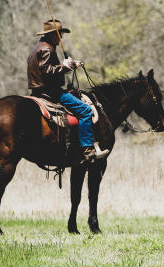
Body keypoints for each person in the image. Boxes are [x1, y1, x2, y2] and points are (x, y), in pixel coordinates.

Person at [27, 19, 108, 163]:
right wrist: (65, 67)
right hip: (51, 92)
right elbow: (47, 71)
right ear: (52, 34)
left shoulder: (38, 47)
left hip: (38, 91)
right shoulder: (47, 48)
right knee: (85, 110)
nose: (61, 37)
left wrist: (70, 65)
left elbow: (49, 68)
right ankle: (88, 150)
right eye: (59, 34)